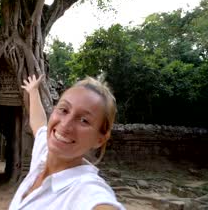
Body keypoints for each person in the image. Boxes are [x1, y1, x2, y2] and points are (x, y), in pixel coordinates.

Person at [9, 74, 125, 210]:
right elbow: (38, 123)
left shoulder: (87, 192)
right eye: (64, 110)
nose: (65, 125)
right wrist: (33, 90)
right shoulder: (43, 153)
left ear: (100, 140)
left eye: (84, 120)